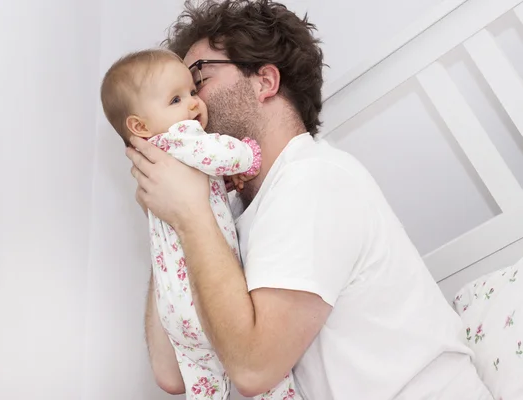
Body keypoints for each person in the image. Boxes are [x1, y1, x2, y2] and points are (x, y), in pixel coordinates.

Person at [126, 0, 494, 399]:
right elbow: (173, 373)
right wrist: (168, 221)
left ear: (264, 81)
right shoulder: (228, 215)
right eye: (177, 95)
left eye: (197, 80)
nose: (189, 104)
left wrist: (190, 215)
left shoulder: (314, 178)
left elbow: (253, 369)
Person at [100, 49, 302, 399]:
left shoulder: (162, 169)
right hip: (199, 303)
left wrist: (214, 189)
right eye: (178, 97)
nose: (195, 103)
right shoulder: (182, 140)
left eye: (196, 88)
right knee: (273, 388)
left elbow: (172, 380)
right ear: (140, 126)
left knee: (204, 386)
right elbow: (220, 152)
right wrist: (246, 156)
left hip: (176, 310)